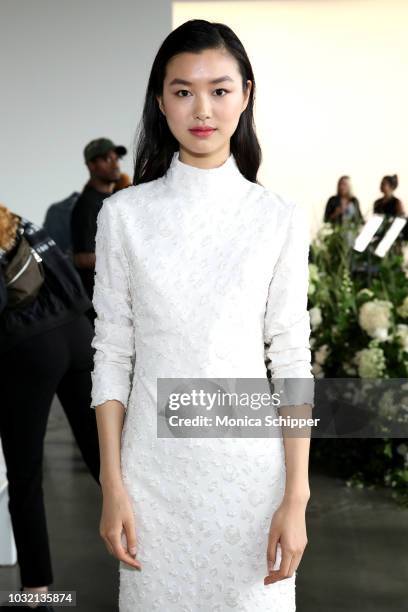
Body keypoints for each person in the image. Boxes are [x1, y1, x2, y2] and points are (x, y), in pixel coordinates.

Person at [91, 19, 313, 611]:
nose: (202, 108)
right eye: (183, 90)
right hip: (152, 482)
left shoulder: (279, 218)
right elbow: (113, 353)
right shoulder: (125, 217)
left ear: (246, 94)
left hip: (249, 481)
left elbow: (291, 357)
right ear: (160, 101)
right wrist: (112, 486)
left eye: (219, 89)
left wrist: (296, 497)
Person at [0, 204, 100, 610]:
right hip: (77, 336)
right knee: (104, 459)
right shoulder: (22, 225)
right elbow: (71, 281)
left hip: (29, 349)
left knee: (25, 477)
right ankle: (161, 553)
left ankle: (37, 594)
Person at [70, 138, 127, 322]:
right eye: (106, 159)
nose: (115, 163)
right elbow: (81, 258)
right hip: (101, 309)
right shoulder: (87, 205)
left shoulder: (113, 200)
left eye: (116, 158)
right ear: (91, 165)